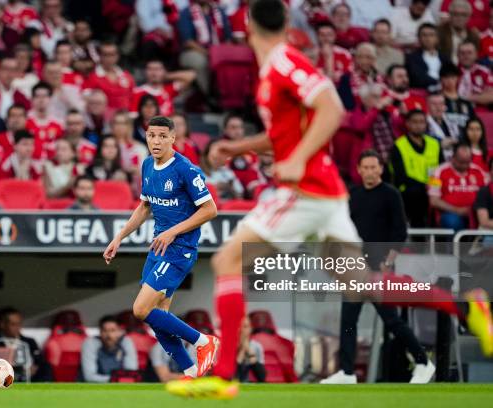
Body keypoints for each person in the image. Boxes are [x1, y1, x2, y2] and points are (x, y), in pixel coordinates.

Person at [166, 0, 493, 398]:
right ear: (286, 21)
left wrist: (299, 159)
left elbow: (331, 107)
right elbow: (287, 134)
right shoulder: (274, 69)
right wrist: (238, 149)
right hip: (327, 194)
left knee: (227, 259)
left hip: (305, 191)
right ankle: (463, 305)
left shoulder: (284, 63)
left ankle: (226, 375)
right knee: (360, 282)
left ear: (246, 26)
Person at [103, 116, 219, 381]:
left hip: (180, 249)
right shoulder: (146, 166)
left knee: (141, 309)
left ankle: (203, 342)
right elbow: (144, 206)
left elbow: (210, 209)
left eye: (162, 136)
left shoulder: (185, 170)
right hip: (158, 248)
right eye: (151, 135)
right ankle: (191, 371)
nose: (156, 141)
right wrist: (118, 237)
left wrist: (173, 231)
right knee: (159, 316)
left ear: (172, 138)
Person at [322, 149, 435, 385]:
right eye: (367, 168)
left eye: (375, 167)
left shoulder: (391, 194)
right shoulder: (353, 195)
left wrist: (388, 262)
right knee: (348, 322)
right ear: (359, 170)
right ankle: (347, 372)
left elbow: (399, 232)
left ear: (381, 169)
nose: (371, 171)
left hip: (379, 267)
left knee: (392, 321)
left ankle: (423, 362)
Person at [390, 109, 443, 227]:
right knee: (416, 195)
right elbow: (400, 176)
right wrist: (424, 186)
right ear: (407, 124)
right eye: (414, 122)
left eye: (421, 122)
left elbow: (442, 169)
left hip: (433, 188)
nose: (418, 125)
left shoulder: (435, 144)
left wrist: (432, 186)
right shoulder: (399, 145)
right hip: (409, 190)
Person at [429, 143, 489, 230]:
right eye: (461, 162)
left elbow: (489, 194)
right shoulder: (437, 172)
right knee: (452, 222)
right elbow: (433, 200)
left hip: (476, 213)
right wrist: (457, 210)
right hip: (450, 214)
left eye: (467, 162)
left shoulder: (479, 171)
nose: (464, 165)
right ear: (453, 158)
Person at [177, 0, 232, 95]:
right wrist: (208, 53)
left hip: (219, 50)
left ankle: (229, 94)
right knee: (202, 62)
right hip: (194, 51)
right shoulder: (186, 12)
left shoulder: (219, 11)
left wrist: (224, 52)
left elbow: (228, 38)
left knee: (231, 60)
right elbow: (188, 41)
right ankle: (207, 95)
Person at [0, 307, 52, 382]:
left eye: (19, 324)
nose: (17, 327)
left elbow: (40, 360)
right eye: (13, 324)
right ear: (2, 324)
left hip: (31, 377)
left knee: (46, 366)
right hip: (7, 378)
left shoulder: (29, 341)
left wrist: (34, 367)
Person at [81, 315, 138, 383]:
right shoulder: (91, 342)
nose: (109, 335)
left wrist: (118, 380)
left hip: (120, 386)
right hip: (95, 387)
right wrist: (116, 379)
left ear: (120, 331)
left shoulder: (126, 341)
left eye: (113, 330)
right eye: (105, 331)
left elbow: (131, 373)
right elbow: (89, 377)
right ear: (100, 332)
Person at [131, 59, 196, 117]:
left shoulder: (169, 89)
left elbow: (191, 76)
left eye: (158, 69)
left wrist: (166, 76)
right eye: (150, 69)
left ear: (164, 71)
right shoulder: (137, 92)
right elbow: (133, 116)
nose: (154, 73)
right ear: (145, 72)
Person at [84, 41, 135, 113]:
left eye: (112, 54)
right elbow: (86, 102)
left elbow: (133, 99)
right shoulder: (92, 77)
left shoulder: (127, 76)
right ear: (100, 56)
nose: (109, 58)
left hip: (125, 119)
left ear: (117, 56)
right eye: (105, 55)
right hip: (103, 120)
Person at [406, 23, 452, 92]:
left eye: (431, 35)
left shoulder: (445, 58)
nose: (428, 38)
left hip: (444, 93)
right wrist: (440, 82)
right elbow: (418, 78)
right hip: (423, 93)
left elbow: (452, 75)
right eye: (424, 35)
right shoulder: (412, 58)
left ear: (437, 38)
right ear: (419, 38)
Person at [25, 81, 64, 160]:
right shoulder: (25, 121)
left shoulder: (59, 123)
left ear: (50, 98)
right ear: (32, 99)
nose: (41, 100)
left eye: (44, 96)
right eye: (37, 96)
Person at [438, 0, 481, 64]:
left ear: (469, 17)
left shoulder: (473, 36)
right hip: (445, 70)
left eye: (463, 15)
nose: (459, 18)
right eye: (455, 14)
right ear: (450, 15)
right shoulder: (439, 32)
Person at [440, 63, 475, 136]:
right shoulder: (438, 101)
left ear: (458, 78)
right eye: (446, 77)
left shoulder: (466, 103)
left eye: (453, 77)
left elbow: (473, 122)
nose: (450, 81)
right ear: (441, 79)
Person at [457, 41, 493, 109]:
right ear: (457, 55)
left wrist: (464, 97)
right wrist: (480, 97)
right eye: (462, 53)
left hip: (482, 113)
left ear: (476, 54)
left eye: (469, 53)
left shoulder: (485, 72)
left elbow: (491, 97)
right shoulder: (452, 73)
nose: (466, 56)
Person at [427, 92, 457, 160]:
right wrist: (440, 142)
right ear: (427, 106)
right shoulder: (424, 123)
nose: (438, 107)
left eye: (441, 104)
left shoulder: (451, 121)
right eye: (434, 104)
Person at [235, 318, 265, 383]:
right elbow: (232, 377)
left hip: (247, 383)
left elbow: (262, 377)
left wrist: (249, 351)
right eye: (240, 326)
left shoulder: (257, 346)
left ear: (251, 329)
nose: (242, 330)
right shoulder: (228, 347)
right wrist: (242, 351)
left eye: (246, 327)